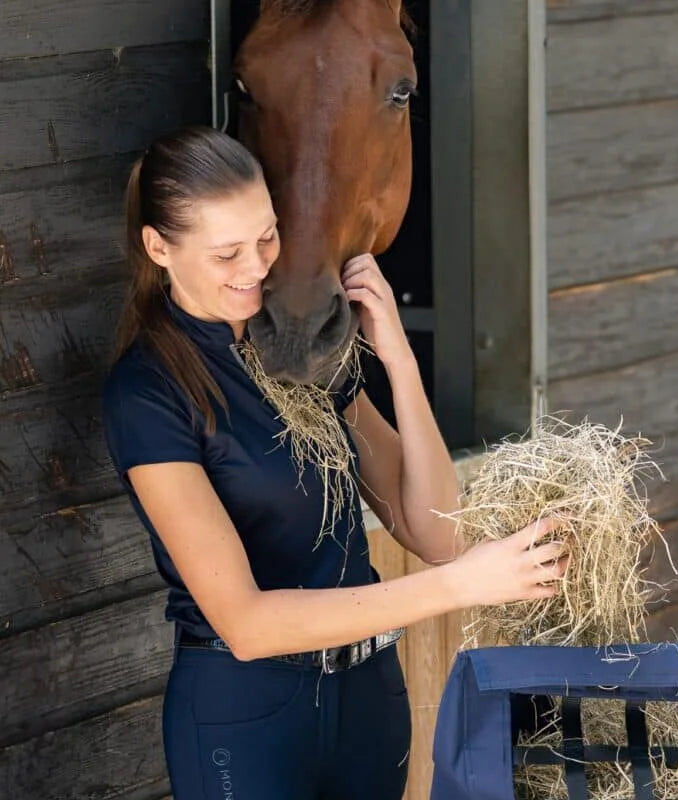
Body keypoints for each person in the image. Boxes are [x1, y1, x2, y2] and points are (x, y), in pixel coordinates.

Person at [102, 126, 568, 800]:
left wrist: (397, 359)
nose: (257, 267)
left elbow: (434, 531)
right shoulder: (147, 392)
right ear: (159, 247)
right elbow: (247, 624)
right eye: (227, 253)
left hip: (368, 699)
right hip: (248, 711)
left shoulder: (298, 349)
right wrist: (461, 587)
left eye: (267, 237)